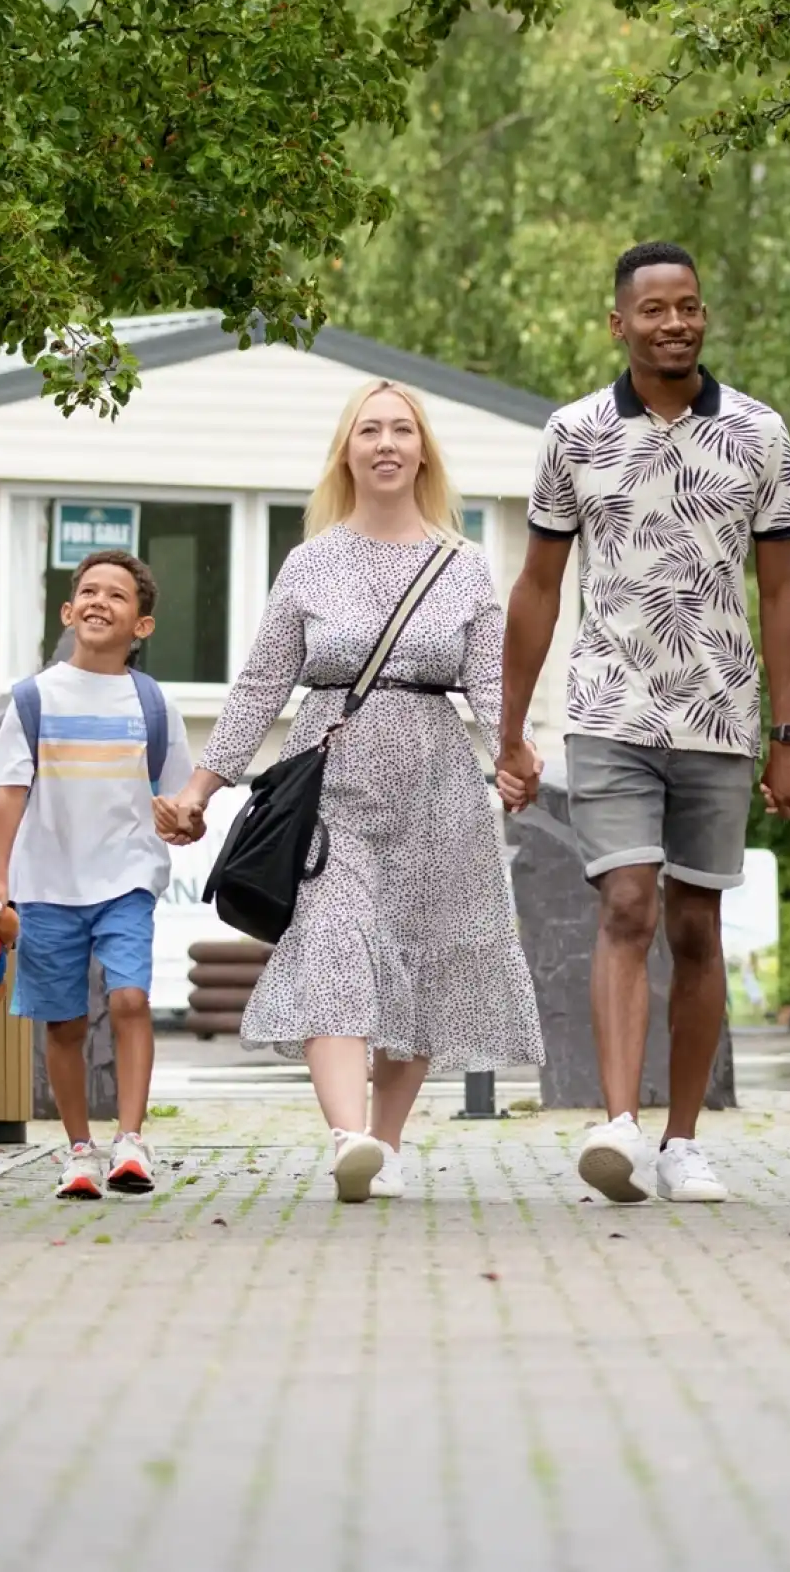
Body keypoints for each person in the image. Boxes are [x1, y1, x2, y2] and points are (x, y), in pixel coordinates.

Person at [158, 380, 541, 1203]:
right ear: (348, 452)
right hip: (330, 789)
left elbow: (490, 686)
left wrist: (515, 754)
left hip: (439, 790)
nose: (387, 443)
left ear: (423, 452)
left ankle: (386, 1146)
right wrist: (199, 788)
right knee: (332, 944)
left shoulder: (463, 561)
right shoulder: (311, 562)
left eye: (403, 430)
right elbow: (261, 685)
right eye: (369, 430)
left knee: (421, 963)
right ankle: (346, 1136)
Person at [496, 241, 790, 1205]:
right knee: (626, 904)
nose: (674, 323)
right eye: (654, 310)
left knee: (696, 924)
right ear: (619, 323)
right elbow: (539, 588)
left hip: (720, 713)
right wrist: (510, 729)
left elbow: (784, 593)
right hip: (610, 707)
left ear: (703, 317)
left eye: (689, 308)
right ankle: (620, 1126)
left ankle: (684, 1139)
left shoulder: (759, 433)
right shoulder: (574, 433)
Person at [0, 550, 193, 1200]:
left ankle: (130, 1139)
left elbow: (179, 802)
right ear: (69, 612)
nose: (101, 602)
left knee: (128, 999)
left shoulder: (154, 705)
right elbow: (9, 792)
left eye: (118, 596)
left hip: (125, 877)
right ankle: (78, 1150)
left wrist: (186, 823)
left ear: (143, 626)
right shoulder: (33, 699)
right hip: (46, 886)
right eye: (89, 592)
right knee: (66, 1023)